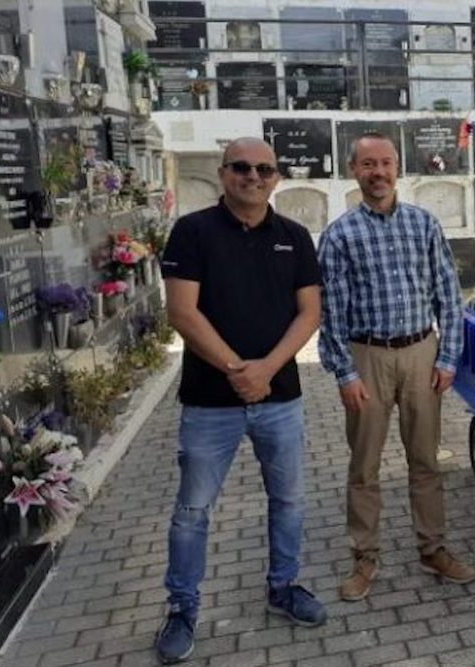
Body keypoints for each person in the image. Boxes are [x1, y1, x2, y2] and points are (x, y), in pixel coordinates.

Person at [156, 137, 326, 664]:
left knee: (290, 501)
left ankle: (284, 586)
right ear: (223, 172)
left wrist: (267, 371)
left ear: (276, 177)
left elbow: (309, 314)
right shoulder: (193, 231)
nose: (253, 177)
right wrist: (237, 370)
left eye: (264, 169)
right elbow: (182, 313)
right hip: (211, 403)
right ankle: (183, 608)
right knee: (192, 511)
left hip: (280, 398)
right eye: (241, 167)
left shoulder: (294, 236)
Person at [318, 132, 475, 602]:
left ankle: (433, 548)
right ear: (355, 171)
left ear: (397, 169)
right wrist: (344, 372)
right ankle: (364, 558)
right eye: (368, 164)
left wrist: (448, 357)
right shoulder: (340, 235)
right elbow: (332, 312)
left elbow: (448, 295)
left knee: (425, 461)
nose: (378, 172)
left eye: (386, 163)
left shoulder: (423, 224)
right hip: (367, 358)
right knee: (364, 467)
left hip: (420, 354)